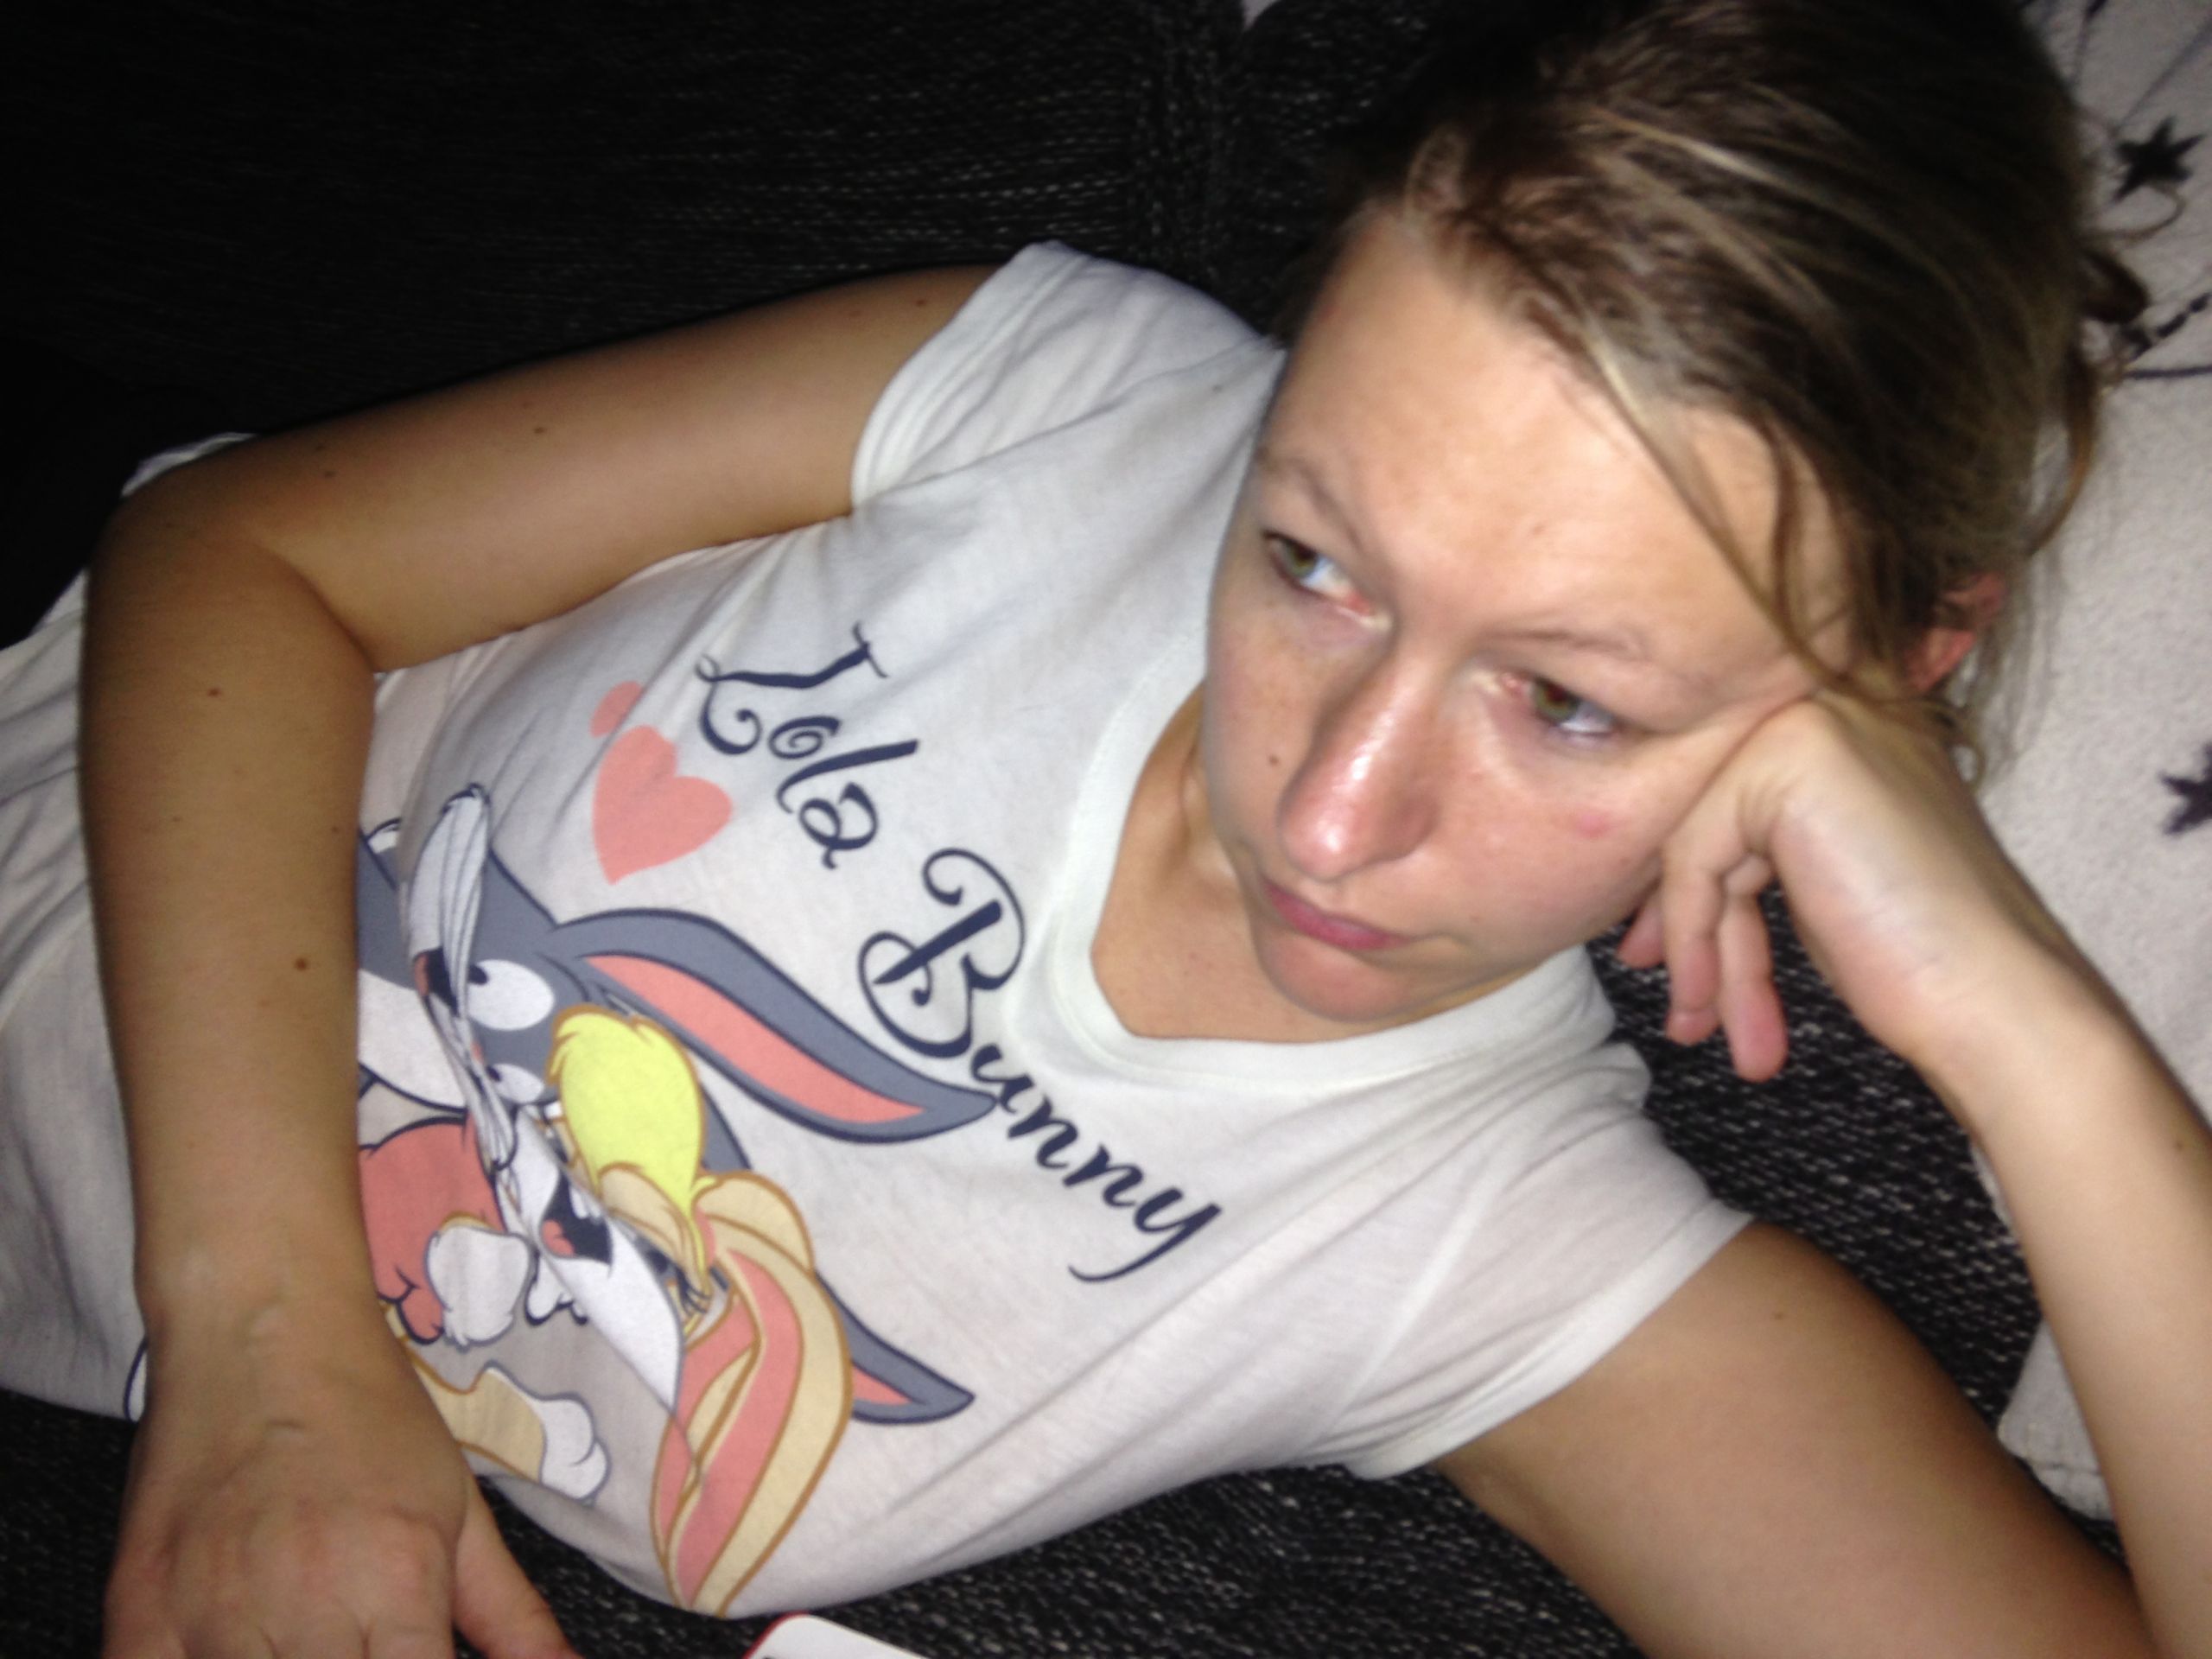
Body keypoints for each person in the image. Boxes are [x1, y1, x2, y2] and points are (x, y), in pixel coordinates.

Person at [0, 0, 2206, 1653]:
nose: (1326, 811)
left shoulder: (1478, 1248)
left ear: (1884, 669)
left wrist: (2035, 1039)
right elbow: (233, 557)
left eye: (1563, 701)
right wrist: (265, 1338)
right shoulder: (1064, 400)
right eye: (1308, 561)